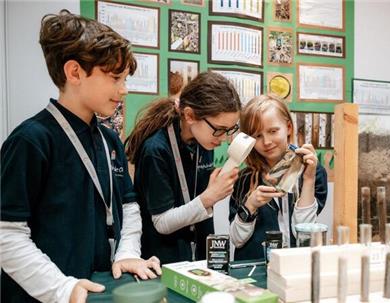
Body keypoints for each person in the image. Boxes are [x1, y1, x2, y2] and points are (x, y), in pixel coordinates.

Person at [0, 10, 161, 303]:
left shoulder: (109, 139)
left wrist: (126, 254)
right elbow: (7, 236)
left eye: (125, 79)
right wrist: (63, 289)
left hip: (97, 289)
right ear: (74, 73)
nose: (123, 90)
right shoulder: (31, 140)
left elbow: (129, 206)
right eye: (115, 78)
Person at [125, 72, 242, 264]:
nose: (222, 139)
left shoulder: (205, 141)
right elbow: (161, 223)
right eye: (219, 129)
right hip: (164, 259)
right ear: (189, 115)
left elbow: (196, 202)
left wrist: (211, 194)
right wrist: (210, 197)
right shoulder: (156, 150)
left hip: (200, 256)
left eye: (228, 130)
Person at [229, 95, 328, 260]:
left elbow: (303, 231)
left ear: (288, 127)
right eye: (257, 136)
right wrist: (250, 205)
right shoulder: (244, 179)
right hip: (254, 271)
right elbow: (237, 240)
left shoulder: (312, 171)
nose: (266, 141)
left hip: (295, 266)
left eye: (273, 131)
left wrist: (309, 179)